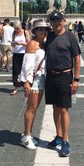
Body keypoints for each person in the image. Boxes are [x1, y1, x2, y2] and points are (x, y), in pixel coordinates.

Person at [45, 11, 81, 157]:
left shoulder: (71, 37)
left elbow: (77, 59)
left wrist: (76, 80)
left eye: (58, 20)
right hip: (51, 75)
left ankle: (65, 141)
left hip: (65, 76)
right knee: (55, 107)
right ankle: (58, 136)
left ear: (64, 21)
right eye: (53, 21)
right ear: (51, 23)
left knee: (64, 109)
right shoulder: (50, 36)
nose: (56, 23)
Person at [19, 19, 50, 149]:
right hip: (33, 79)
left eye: (45, 29)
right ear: (35, 31)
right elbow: (27, 64)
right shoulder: (32, 43)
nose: (43, 31)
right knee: (31, 108)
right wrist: (27, 82)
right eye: (40, 29)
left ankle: (28, 133)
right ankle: (26, 137)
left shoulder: (44, 43)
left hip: (42, 78)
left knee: (35, 108)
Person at [10, 23, 30, 95]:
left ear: (21, 26)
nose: (16, 30)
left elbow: (29, 43)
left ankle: (26, 85)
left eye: (17, 28)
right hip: (16, 53)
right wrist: (13, 43)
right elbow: (12, 44)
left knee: (25, 70)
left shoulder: (25, 32)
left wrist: (21, 43)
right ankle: (16, 88)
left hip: (24, 53)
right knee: (15, 70)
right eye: (15, 28)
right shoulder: (14, 33)